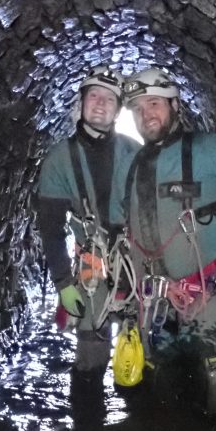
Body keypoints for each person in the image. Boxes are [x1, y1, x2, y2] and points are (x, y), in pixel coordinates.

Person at [112, 67, 216, 414]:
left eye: (154, 103)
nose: (146, 115)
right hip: (154, 303)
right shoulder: (130, 168)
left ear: (174, 105)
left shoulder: (213, 150)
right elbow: (122, 233)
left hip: (208, 294)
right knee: (157, 399)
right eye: (138, 109)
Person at [37, 66, 140, 381]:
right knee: (91, 357)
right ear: (80, 103)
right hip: (92, 265)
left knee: (140, 350)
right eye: (93, 95)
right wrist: (64, 284)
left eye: (109, 99)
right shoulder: (59, 160)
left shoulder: (135, 152)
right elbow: (51, 229)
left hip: (135, 263)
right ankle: (88, 420)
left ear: (117, 110)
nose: (100, 103)